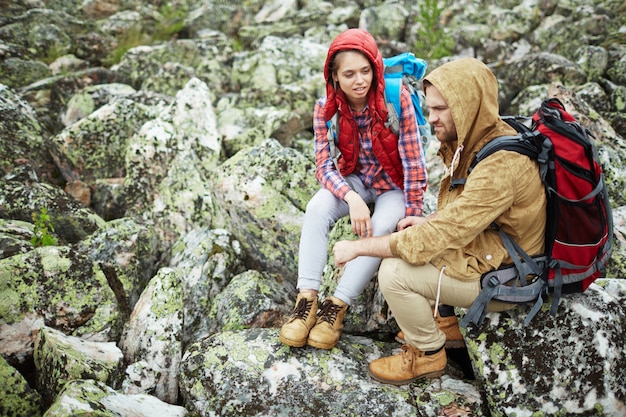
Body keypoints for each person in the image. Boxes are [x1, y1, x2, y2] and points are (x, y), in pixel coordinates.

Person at [332, 57, 547, 384]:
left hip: (511, 277)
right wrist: (428, 220)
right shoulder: (482, 137)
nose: (430, 118)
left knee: (394, 271)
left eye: (441, 109)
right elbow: (463, 217)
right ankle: (446, 322)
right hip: (497, 252)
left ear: (467, 105)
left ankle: (427, 353)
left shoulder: (500, 166)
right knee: (417, 237)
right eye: (429, 108)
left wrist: (360, 247)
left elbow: (439, 236)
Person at [279, 28, 428, 350]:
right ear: (334, 78)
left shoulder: (396, 97)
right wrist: (351, 197)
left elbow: (415, 161)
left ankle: (336, 307)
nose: (359, 80)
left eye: (365, 71)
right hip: (355, 179)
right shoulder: (325, 109)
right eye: (349, 74)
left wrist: (414, 213)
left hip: (394, 185)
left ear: (375, 68)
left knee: (382, 225)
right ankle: (306, 301)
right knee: (317, 208)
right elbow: (323, 164)